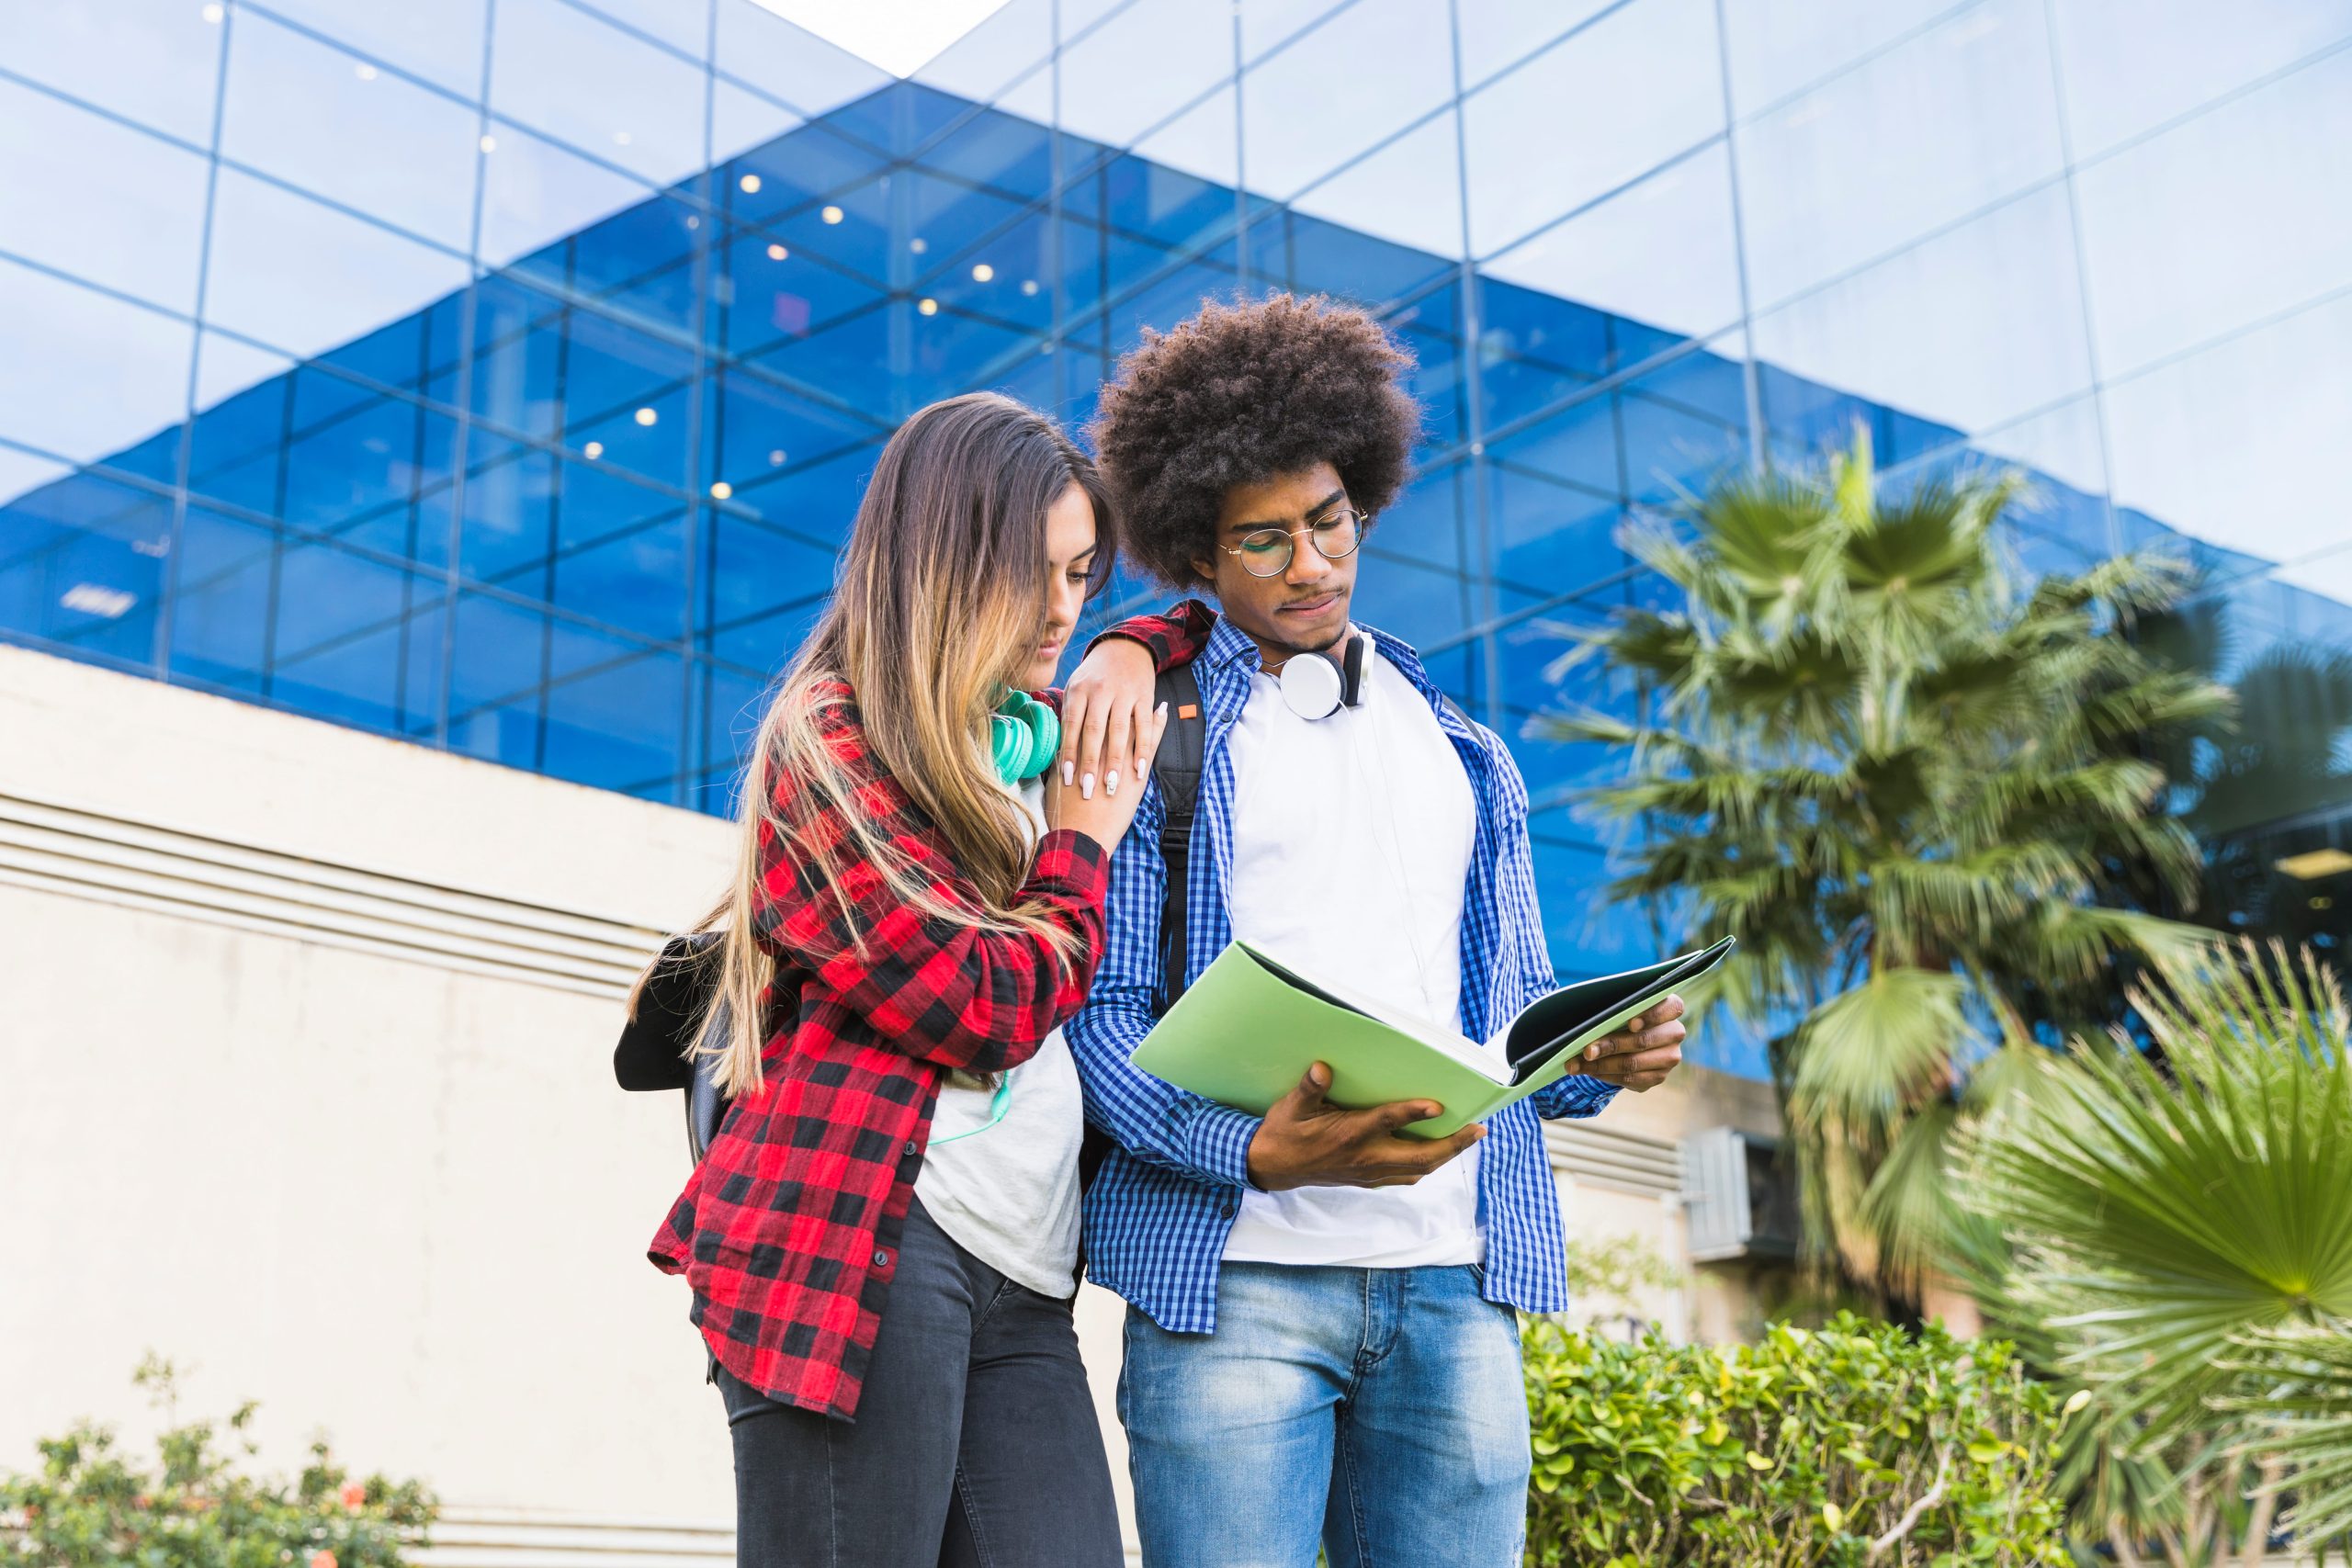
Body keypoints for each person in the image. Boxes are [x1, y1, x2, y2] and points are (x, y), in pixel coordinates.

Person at [1057, 295, 1690, 1567]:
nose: (1311, 563)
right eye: (1265, 540)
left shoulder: (1460, 741)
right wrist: (1254, 1149)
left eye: (1330, 521)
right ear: (1199, 553)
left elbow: (1513, 1021)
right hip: (1233, 1288)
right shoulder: (1151, 728)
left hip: (1458, 1281)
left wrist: (1600, 1055)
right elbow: (1098, 1013)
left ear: (1368, 497)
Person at [639, 392, 1212, 1568]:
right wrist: (1080, 847)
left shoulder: (1023, 733)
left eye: (1082, 574)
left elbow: (1191, 624)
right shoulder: (832, 737)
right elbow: (985, 1008)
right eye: (1038, 576)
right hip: (866, 1247)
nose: (1063, 609)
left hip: (1026, 1273)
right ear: (946, 561)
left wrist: (1126, 643)